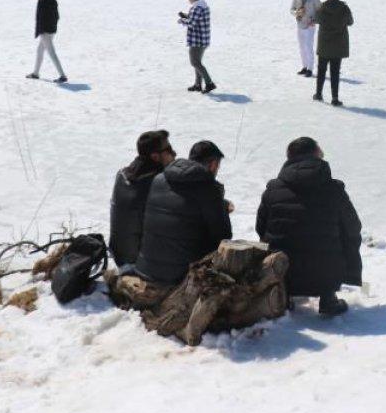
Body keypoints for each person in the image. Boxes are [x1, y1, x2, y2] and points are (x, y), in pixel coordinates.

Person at [256, 136, 362, 316]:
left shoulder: (273, 189)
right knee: (345, 234)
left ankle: (284, 294)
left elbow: (261, 228)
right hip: (325, 272)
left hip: (284, 270)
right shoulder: (334, 189)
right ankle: (328, 296)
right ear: (316, 155)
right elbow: (353, 227)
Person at [135, 140, 233, 285]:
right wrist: (222, 208)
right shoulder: (208, 188)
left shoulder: (159, 178)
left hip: (146, 268)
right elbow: (223, 236)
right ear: (213, 164)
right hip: (179, 276)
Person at [109, 130, 175, 268]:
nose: (174, 153)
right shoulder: (157, 182)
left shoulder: (122, 175)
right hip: (140, 262)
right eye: (168, 149)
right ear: (155, 156)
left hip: (119, 255)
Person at [313, 0, 353, 106]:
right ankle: (335, 98)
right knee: (335, 72)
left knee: (321, 70)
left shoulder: (322, 7)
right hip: (338, 45)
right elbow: (350, 22)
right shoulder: (344, 8)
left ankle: (318, 94)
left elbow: (316, 19)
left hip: (324, 45)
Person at [26, 0, 67, 83]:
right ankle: (36, 73)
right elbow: (56, 16)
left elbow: (41, 18)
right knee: (40, 50)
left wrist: (42, 30)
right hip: (51, 30)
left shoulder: (43, 0)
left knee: (52, 53)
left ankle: (62, 76)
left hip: (45, 32)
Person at [178, 0, 215, 94]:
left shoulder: (197, 8)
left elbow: (192, 23)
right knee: (197, 62)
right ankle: (198, 84)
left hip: (197, 40)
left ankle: (209, 83)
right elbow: (196, 18)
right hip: (203, 39)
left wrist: (182, 20)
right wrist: (186, 15)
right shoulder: (202, 6)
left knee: (195, 62)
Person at [290, 0, 320, 77]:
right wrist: (297, 12)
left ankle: (310, 69)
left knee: (308, 46)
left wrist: (315, 20)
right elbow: (291, 9)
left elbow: (319, 10)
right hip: (300, 25)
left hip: (310, 24)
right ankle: (304, 66)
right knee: (302, 47)